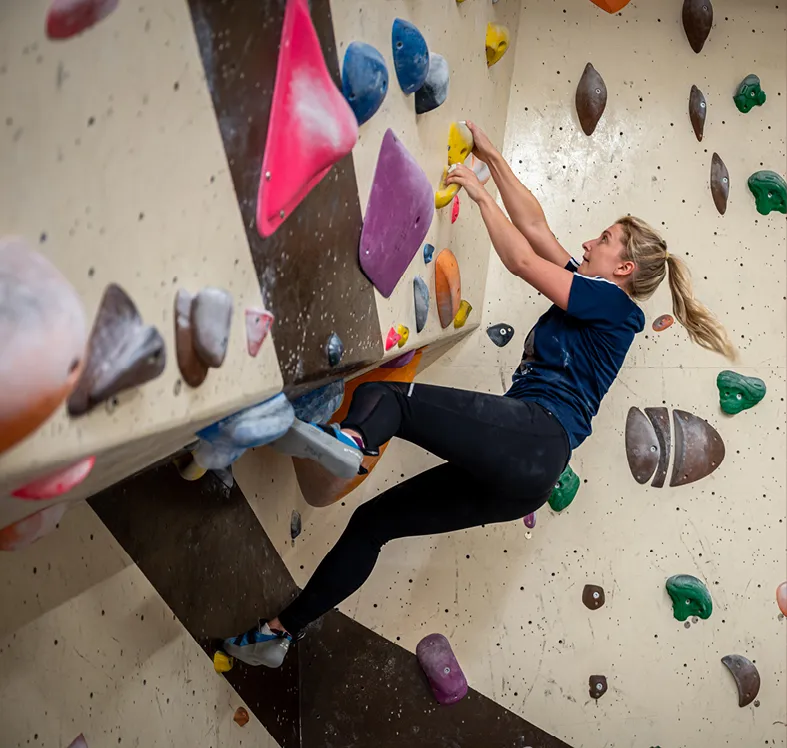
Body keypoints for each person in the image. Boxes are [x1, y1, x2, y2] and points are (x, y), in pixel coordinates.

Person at [223, 121, 735, 668]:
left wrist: (479, 190)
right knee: (375, 523)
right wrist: (491, 154)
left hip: (538, 435)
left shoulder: (613, 305)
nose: (588, 243)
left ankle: (350, 444)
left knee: (386, 400)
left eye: (603, 241)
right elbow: (536, 227)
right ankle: (279, 634)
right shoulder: (593, 296)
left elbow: (521, 260)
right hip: (526, 480)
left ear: (624, 268)